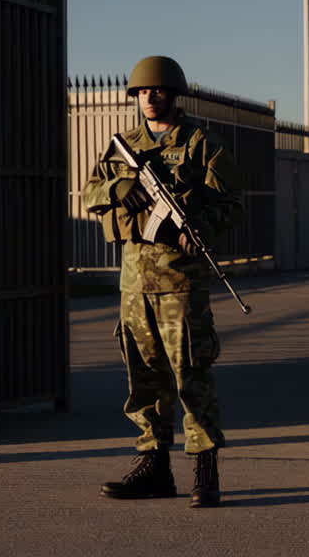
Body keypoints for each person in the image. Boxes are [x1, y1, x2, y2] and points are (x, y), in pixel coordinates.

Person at [82, 55, 242, 508]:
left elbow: (233, 203)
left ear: (174, 94)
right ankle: (154, 467)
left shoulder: (199, 144)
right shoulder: (124, 145)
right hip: (134, 283)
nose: (149, 98)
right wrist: (119, 190)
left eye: (157, 91)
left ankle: (205, 470)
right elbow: (90, 190)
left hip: (180, 282)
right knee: (145, 380)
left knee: (192, 375)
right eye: (142, 92)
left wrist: (198, 231)